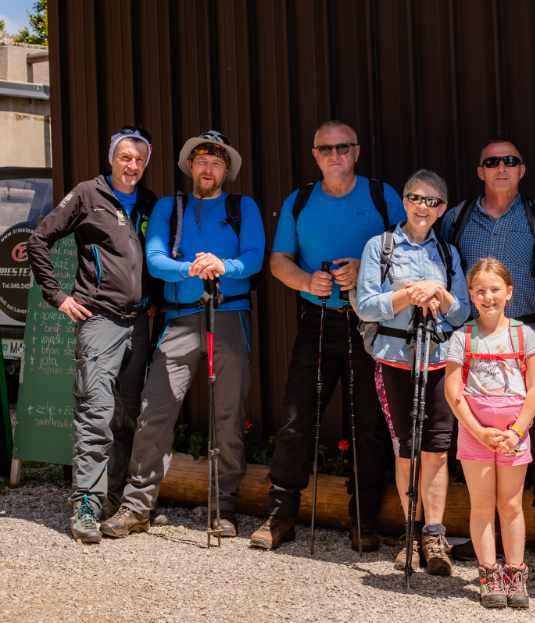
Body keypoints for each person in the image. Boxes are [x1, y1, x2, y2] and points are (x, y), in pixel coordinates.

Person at [101, 130, 265, 539]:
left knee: (228, 414)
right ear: (190, 166)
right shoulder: (168, 208)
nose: (208, 169)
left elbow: (254, 257)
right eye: (201, 161)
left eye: (217, 163)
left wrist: (223, 266)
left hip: (228, 316)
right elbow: (155, 260)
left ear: (226, 170)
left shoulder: (242, 207)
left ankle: (223, 506)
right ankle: (137, 505)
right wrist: (190, 268)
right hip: (179, 320)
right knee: (155, 410)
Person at [250, 121, 404, 551]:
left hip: (370, 325)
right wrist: (305, 281)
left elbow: (409, 252)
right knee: (297, 420)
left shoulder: (382, 196)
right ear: (315, 155)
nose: (335, 155)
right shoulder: (300, 200)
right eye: (326, 149)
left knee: (368, 425)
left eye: (343, 147)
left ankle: (364, 520)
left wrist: (365, 269)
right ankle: (280, 516)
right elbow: (279, 260)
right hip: (317, 321)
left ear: (356, 152)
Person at [439, 138, 535, 568]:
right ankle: (484, 538)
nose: (501, 168)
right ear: (480, 171)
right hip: (474, 339)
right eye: (491, 162)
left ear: (522, 169)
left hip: (525, 336)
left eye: (510, 161)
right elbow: (445, 269)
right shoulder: (457, 218)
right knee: (475, 438)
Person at [27, 127, 158, 543]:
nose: (132, 165)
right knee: (95, 411)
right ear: (111, 158)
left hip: (139, 322)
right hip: (100, 319)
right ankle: (85, 503)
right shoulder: (87, 194)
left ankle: (114, 498)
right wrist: (58, 296)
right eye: (125, 157)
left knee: (127, 415)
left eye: (139, 159)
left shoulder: (151, 202)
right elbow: (39, 240)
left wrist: (153, 298)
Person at [355, 169, 470, 576]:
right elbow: (365, 305)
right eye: (416, 198)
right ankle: (409, 533)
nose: (423, 207)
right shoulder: (380, 246)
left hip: (438, 359)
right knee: (405, 446)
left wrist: (438, 292)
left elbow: (463, 312)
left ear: (442, 209)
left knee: (436, 447)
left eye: (432, 201)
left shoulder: (448, 253)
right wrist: (408, 294)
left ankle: (434, 534)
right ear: (404, 201)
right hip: (394, 358)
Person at [444, 258, 535, 609]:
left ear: (509, 292)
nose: (488, 297)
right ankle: (489, 573)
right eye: (480, 291)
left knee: (512, 504)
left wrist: (516, 431)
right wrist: (479, 431)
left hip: (514, 433)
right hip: (476, 433)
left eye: (495, 289)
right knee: (483, 504)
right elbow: (453, 392)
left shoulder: (524, 335)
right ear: (471, 295)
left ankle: (516, 572)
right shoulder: (462, 337)